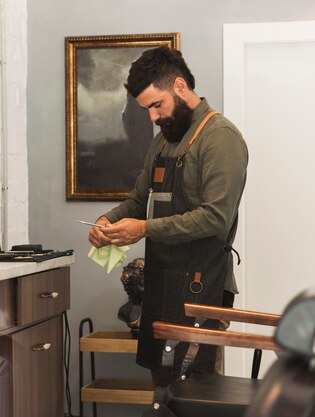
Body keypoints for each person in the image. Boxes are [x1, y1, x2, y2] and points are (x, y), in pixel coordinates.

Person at [88, 46, 248, 381]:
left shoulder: (220, 138)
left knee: (195, 393)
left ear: (179, 87)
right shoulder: (162, 142)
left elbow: (215, 218)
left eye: (156, 105)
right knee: (163, 393)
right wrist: (107, 222)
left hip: (202, 290)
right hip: (162, 286)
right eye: (146, 109)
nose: (152, 117)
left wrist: (144, 229)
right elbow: (138, 199)